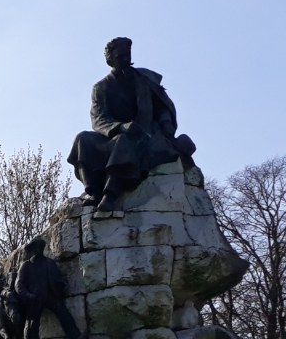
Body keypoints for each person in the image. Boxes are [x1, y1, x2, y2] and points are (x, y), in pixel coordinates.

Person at [67, 36, 196, 212]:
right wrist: (121, 127)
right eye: (120, 57)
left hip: (146, 134)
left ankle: (110, 194)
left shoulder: (144, 79)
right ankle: (94, 191)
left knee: (123, 141)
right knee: (82, 139)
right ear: (110, 60)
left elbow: (162, 106)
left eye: (128, 55)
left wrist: (166, 122)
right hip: (113, 134)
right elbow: (98, 118)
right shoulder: (101, 87)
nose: (126, 60)